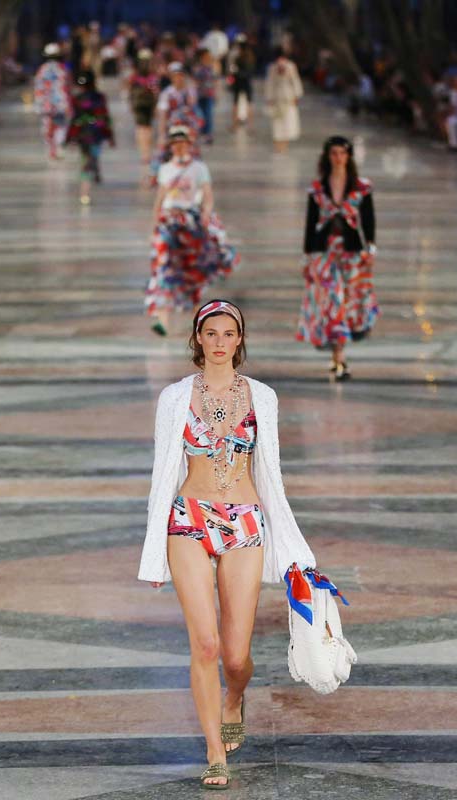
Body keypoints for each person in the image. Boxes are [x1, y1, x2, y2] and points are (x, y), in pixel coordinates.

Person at [139, 299, 318, 790]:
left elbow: (272, 473)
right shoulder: (175, 398)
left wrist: (290, 548)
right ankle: (215, 751)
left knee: (236, 657)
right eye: (210, 333)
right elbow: (162, 475)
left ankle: (234, 699)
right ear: (198, 339)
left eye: (228, 334)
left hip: (244, 523)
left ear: (240, 340)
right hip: (189, 520)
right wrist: (154, 545)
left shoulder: (263, 397)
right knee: (206, 643)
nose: (219, 342)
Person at [297, 136, 378, 380]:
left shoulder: (361, 188)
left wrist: (371, 249)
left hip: (352, 253)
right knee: (333, 301)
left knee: (349, 302)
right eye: (334, 153)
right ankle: (339, 358)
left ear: (349, 156)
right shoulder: (317, 189)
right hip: (325, 252)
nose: (338, 157)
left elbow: (369, 221)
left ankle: (338, 355)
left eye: (343, 153)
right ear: (327, 156)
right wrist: (307, 257)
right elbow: (310, 225)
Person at [145, 126, 237, 336]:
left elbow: (207, 194)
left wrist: (206, 213)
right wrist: (154, 225)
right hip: (169, 222)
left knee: (192, 272)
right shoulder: (166, 168)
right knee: (163, 267)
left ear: (189, 145)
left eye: (182, 143)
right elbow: (160, 198)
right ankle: (162, 319)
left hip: (190, 222)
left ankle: (197, 319)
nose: (179, 147)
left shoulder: (199, 168)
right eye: (175, 144)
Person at [64, 71, 114, 205]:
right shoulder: (99, 97)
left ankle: (85, 192)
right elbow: (105, 117)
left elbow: (75, 119)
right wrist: (110, 136)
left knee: (86, 160)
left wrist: (69, 138)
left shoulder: (78, 98)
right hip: (94, 134)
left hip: (84, 135)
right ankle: (86, 189)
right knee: (90, 158)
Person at [152, 63, 202, 180]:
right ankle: (154, 175)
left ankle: (198, 175)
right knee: (162, 151)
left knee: (193, 150)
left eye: (180, 75)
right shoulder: (167, 93)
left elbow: (193, 108)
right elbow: (162, 115)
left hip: (188, 127)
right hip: (172, 127)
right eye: (175, 75)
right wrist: (162, 134)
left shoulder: (190, 91)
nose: (178, 78)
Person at [34, 43, 71, 160]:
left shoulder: (42, 70)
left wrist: (39, 102)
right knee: (60, 126)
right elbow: (66, 87)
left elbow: (38, 88)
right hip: (60, 102)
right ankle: (58, 148)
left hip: (46, 104)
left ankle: (52, 150)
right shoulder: (62, 69)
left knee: (47, 126)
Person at [264, 48, 303, 154]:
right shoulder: (273, 67)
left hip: (287, 97)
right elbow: (270, 83)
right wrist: (269, 97)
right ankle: (279, 145)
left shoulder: (290, 66)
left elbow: (294, 80)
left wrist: (296, 95)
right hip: (279, 97)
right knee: (278, 122)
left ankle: (283, 145)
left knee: (287, 121)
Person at [127, 49, 160, 170]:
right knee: (147, 128)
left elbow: (130, 91)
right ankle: (147, 153)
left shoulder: (135, 76)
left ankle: (144, 154)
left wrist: (131, 103)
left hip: (139, 104)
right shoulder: (152, 76)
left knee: (141, 128)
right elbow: (155, 91)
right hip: (148, 104)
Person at [228, 34, 255, 130]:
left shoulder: (237, 57)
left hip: (238, 81)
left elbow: (233, 70)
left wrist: (231, 79)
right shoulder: (250, 56)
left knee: (236, 103)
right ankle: (251, 126)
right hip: (247, 81)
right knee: (249, 103)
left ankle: (234, 125)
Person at [193, 50, 219, 144]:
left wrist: (216, 93)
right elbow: (196, 81)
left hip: (209, 95)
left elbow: (215, 81)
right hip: (200, 94)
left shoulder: (212, 67)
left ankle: (208, 134)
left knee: (208, 115)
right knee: (200, 115)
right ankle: (201, 132)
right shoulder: (198, 68)